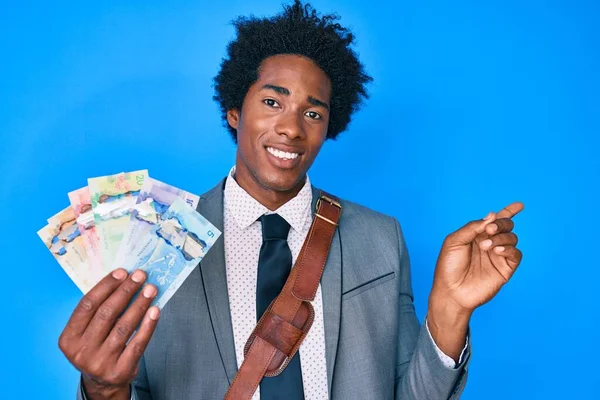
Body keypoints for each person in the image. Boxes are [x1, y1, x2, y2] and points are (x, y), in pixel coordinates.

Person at [58, 1, 524, 399]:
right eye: (272, 102)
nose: (291, 127)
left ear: (328, 129)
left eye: (313, 112)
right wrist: (102, 391)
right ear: (235, 111)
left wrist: (450, 311)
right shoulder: (156, 243)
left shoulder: (380, 238)